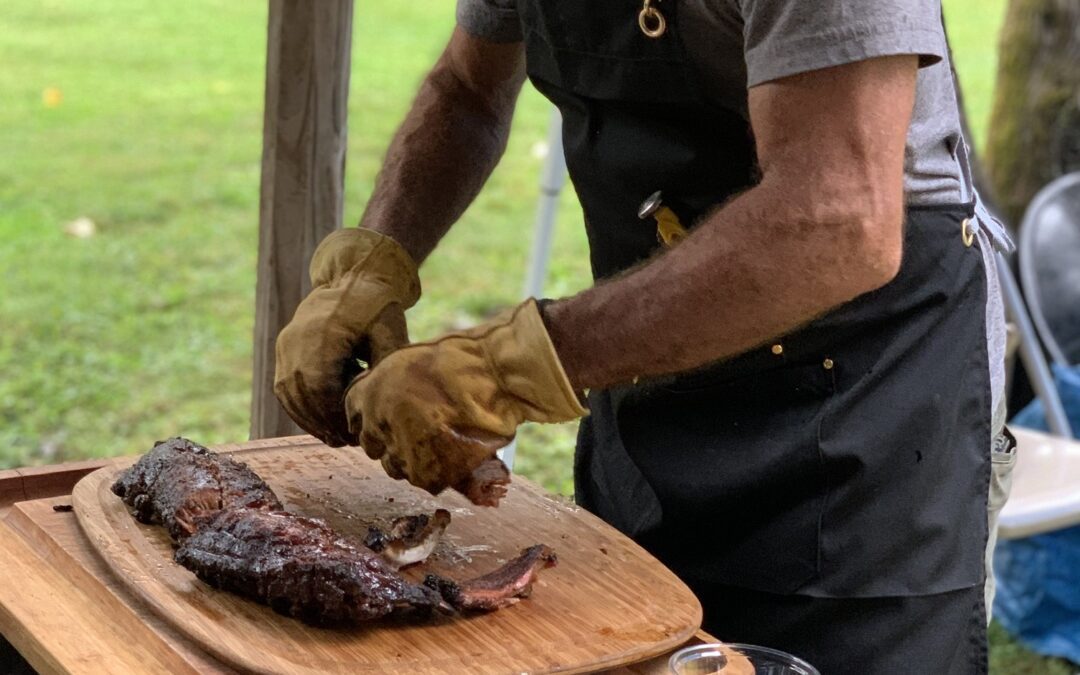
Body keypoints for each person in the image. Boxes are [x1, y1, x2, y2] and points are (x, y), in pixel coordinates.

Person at [273, 1, 1016, 672]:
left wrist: (512, 365)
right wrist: (372, 261)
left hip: (868, 415)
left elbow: (838, 215)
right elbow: (466, 91)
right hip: (658, 382)